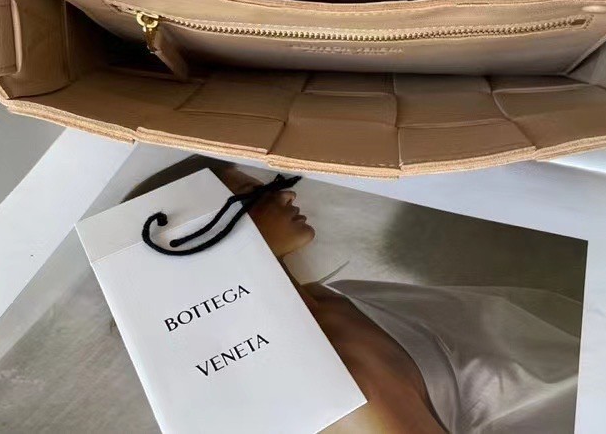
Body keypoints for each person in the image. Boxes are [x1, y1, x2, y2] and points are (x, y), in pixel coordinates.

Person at [128, 158, 581, 433]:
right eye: (253, 193)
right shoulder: (330, 374)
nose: (285, 195)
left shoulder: (328, 296)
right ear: (199, 239)